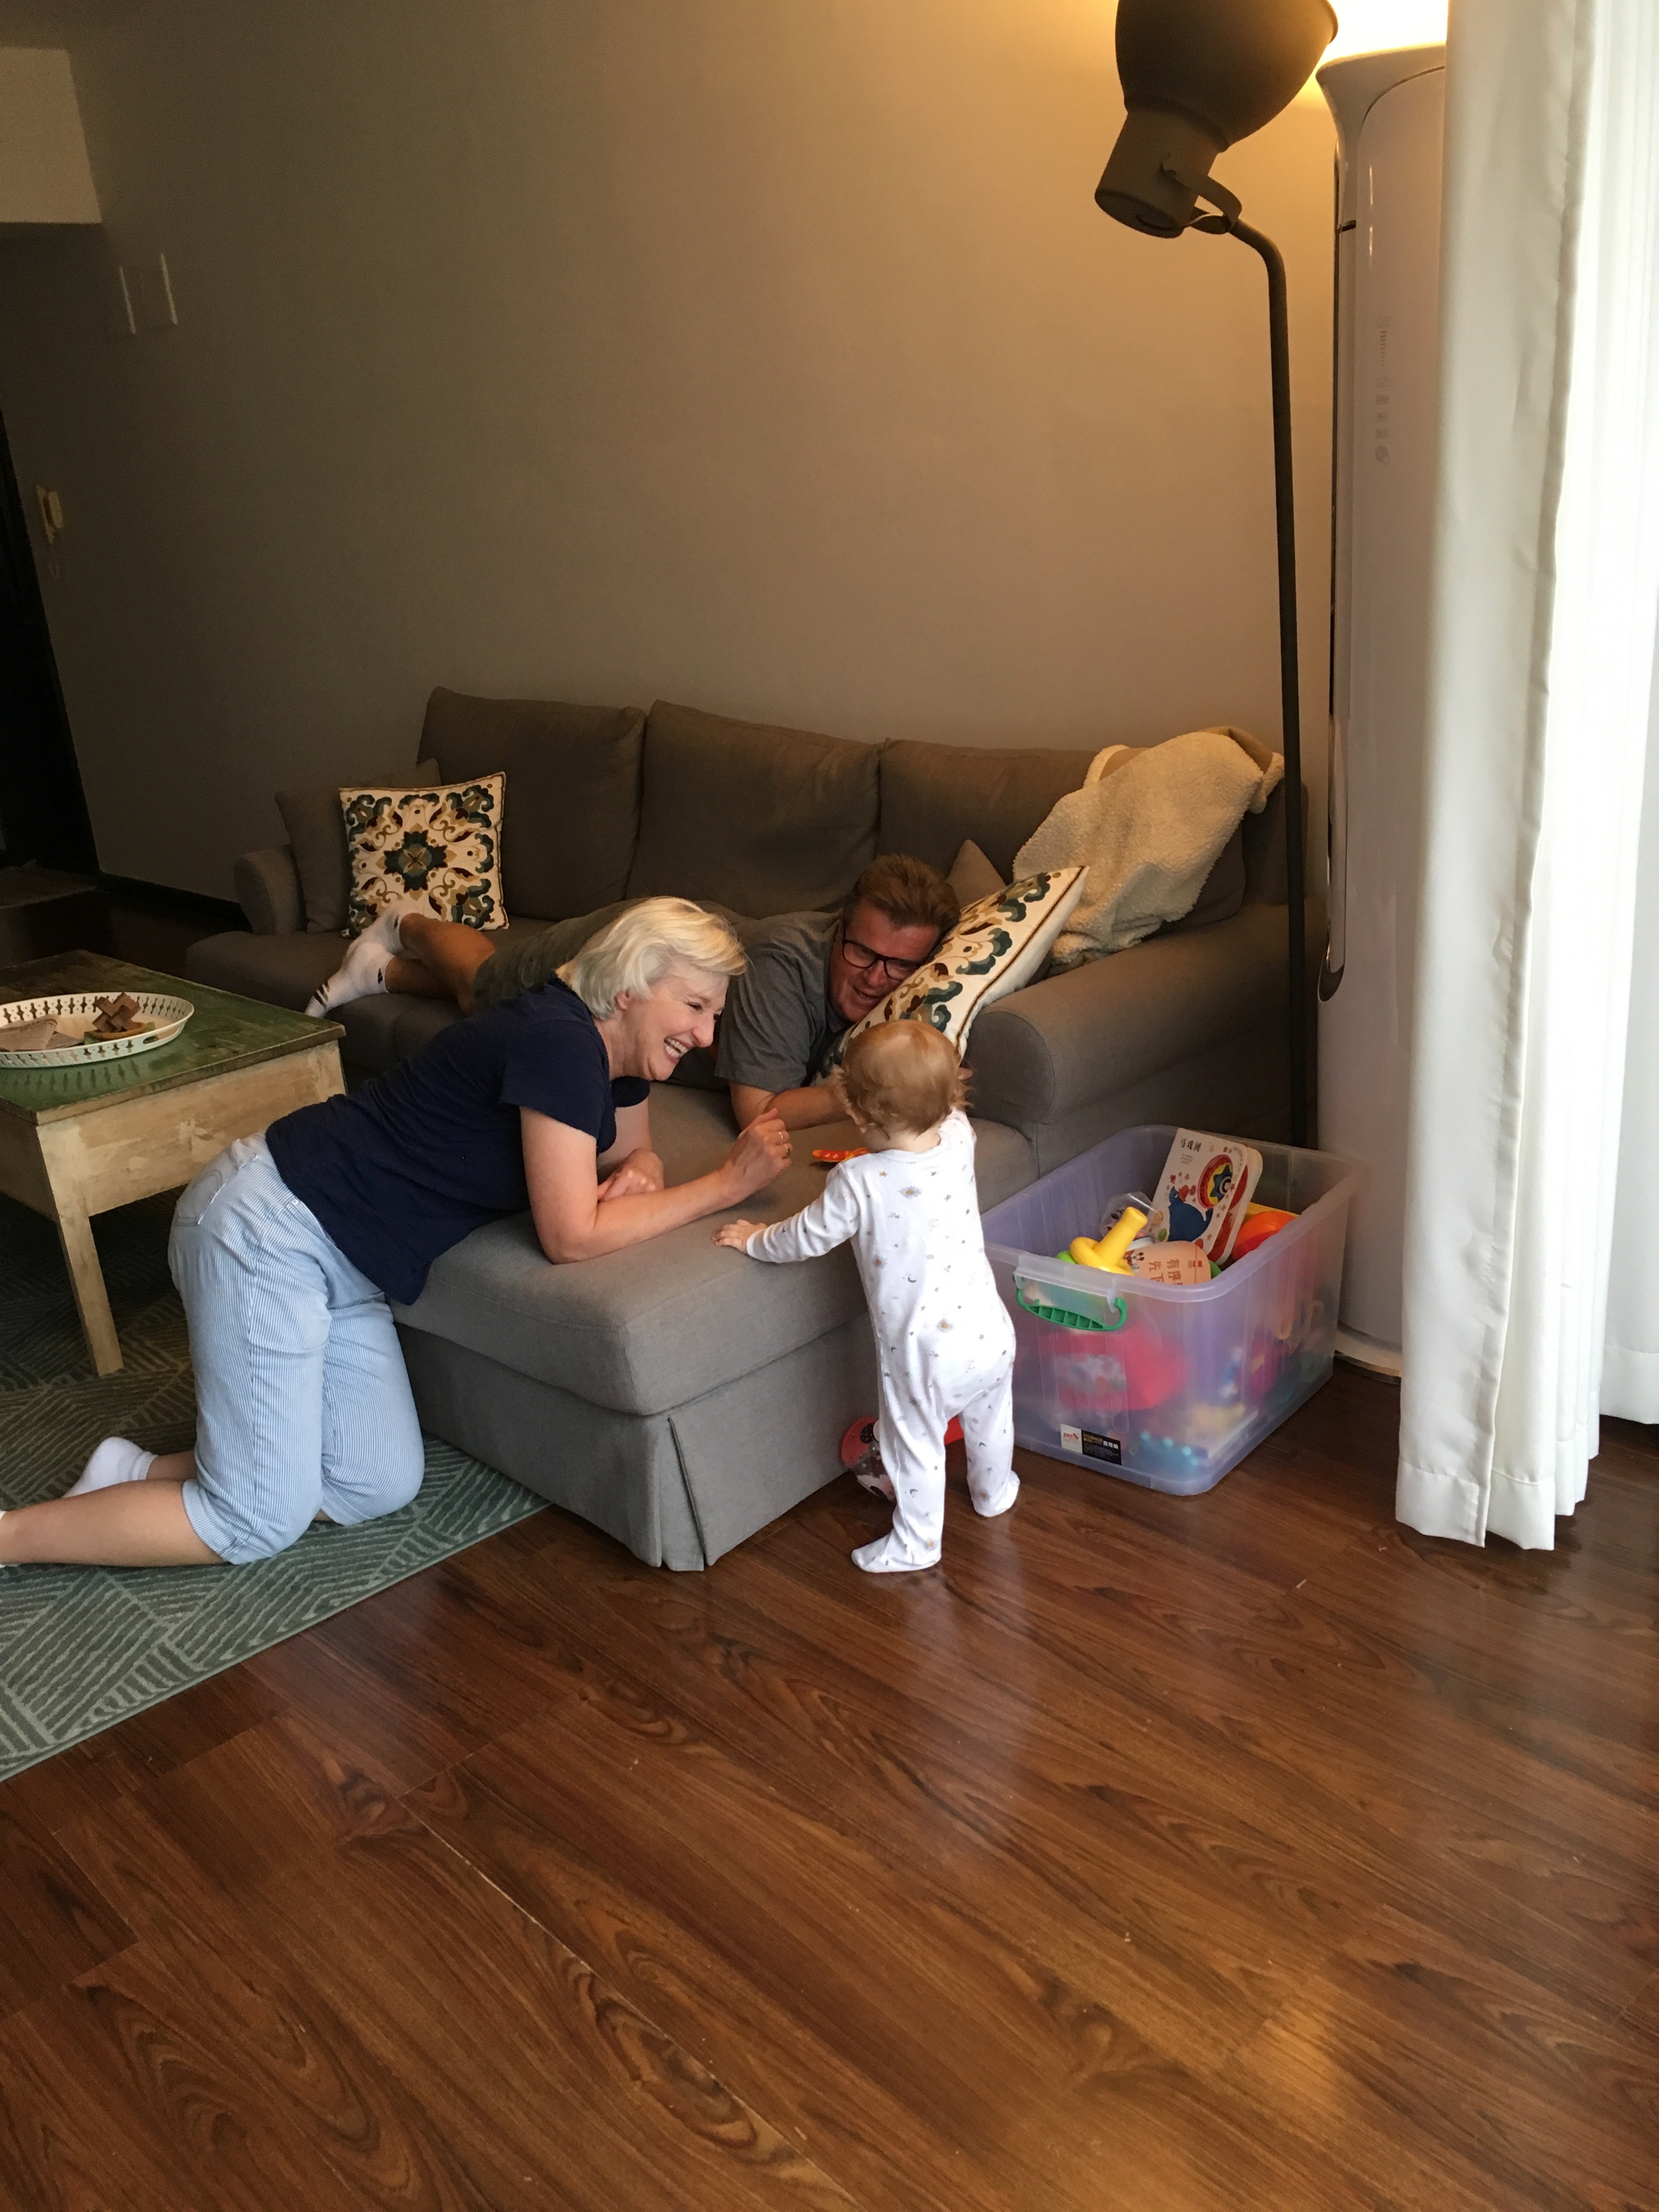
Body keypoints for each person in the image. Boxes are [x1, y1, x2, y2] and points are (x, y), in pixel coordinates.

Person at [0, 900, 790, 1572]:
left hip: (350, 1261)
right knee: (255, 1521)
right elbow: (572, 1236)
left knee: (372, 1481)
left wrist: (646, 1164)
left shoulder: (613, 1053)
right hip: (270, 1228)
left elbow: (631, 1149)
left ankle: (131, 1469)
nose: (708, 1035)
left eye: (715, 1015)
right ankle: (11, 1537)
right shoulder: (559, 1041)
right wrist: (726, 1186)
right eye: (695, 1007)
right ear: (628, 988)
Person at [304, 855, 961, 1133]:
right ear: (838, 927)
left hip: (690, 956)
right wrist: (884, 1090)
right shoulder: (784, 964)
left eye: (900, 966)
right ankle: (409, 922)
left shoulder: (913, 983)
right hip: (639, 945)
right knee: (484, 988)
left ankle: (383, 973)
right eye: (862, 953)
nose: (877, 978)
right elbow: (759, 1111)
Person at [715, 1021, 1018, 1574]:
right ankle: (993, 1492)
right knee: (991, 1417)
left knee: (914, 1444)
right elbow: (943, 1111)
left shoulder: (858, 1181)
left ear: (855, 1113)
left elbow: (804, 1237)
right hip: (990, 1330)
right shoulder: (960, 1135)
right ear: (952, 1095)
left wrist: (755, 1238)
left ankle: (918, 1544)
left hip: (925, 1354)